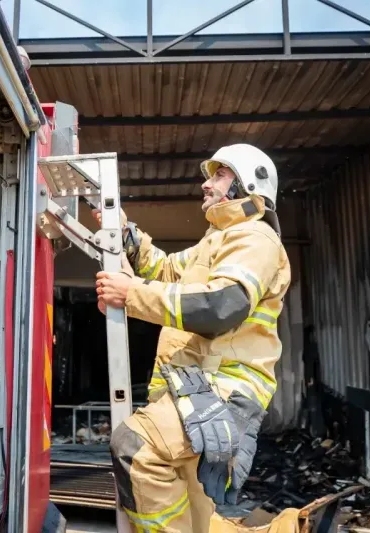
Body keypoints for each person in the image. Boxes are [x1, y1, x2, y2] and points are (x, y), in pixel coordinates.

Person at [94, 143, 291, 533]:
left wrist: (129, 294)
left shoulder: (255, 238)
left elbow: (221, 306)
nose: (206, 184)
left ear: (249, 184)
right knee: (198, 515)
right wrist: (126, 231)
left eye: (219, 175)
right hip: (198, 390)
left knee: (136, 447)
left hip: (224, 389)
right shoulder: (216, 241)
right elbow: (164, 269)